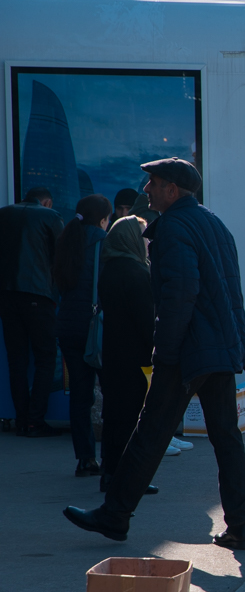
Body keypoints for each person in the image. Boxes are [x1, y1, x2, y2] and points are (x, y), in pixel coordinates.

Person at [64, 157, 245, 549]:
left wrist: (164, 351)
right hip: (217, 347)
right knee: (226, 438)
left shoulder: (172, 228)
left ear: (172, 189)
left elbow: (178, 295)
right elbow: (231, 292)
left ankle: (115, 515)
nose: (146, 190)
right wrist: (241, 346)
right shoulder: (213, 223)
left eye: (152, 183)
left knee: (150, 432)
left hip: (188, 349)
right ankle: (240, 526)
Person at [52, 194, 113, 475]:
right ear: (102, 219)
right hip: (95, 329)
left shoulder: (67, 240)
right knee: (113, 394)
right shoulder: (103, 242)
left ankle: (85, 458)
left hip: (68, 326)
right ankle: (113, 457)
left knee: (79, 394)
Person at [95, 215, 154, 492]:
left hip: (113, 354)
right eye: (143, 236)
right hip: (135, 358)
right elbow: (146, 322)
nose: (147, 242)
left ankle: (109, 472)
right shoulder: (137, 273)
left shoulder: (109, 268)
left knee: (114, 416)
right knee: (133, 419)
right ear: (132, 239)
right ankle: (128, 478)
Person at [0, 186, 65, 437]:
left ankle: (21, 418)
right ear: (47, 202)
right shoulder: (50, 217)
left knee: (17, 360)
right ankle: (35, 420)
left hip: (6, 296)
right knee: (45, 358)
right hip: (39, 295)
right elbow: (60, 258)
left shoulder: (4, 214)